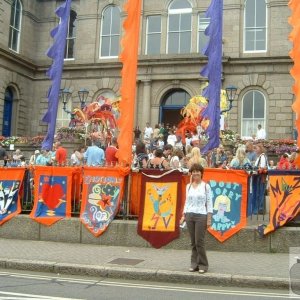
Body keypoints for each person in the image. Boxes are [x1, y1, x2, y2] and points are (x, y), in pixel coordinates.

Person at [180, 163, 213, 273]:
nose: (195, 173)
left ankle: (203, 264)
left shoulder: (205, 186)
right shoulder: (188, 186)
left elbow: (209, 202)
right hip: (190, 215)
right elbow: (187, 202)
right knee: (193, 242)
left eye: (197, 171)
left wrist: (209, 218)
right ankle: (194, 264)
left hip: (201, 215)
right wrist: (183, 215)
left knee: (199, 241)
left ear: (201, 173)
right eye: (193, 171)